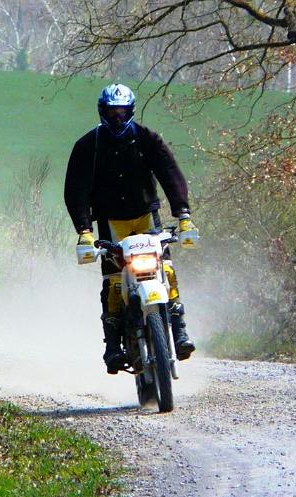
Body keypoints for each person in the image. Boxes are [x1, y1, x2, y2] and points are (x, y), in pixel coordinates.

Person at [64, 83, 197, 374]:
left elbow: (170, 173)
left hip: (146, 218)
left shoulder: (148, 139)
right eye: (112, 113)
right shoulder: (88, 146)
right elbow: (76, 190)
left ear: (131, 111)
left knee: (167, 271)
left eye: (122, 112)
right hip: (111, 224)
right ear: (102, 112)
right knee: (114, 283)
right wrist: (84, 231)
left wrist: (183, 214)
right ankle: (112, 345)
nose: (117, 119)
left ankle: (179, 329)